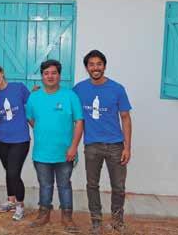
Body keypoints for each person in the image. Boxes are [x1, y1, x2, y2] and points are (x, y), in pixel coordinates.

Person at [73, 50, 132, 235]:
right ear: (86, 67)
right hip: (92, 145)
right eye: (91, 64)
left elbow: (126, 118)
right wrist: (38, 90)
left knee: (118, 187)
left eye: (99, 64)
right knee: (92, 185)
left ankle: (117, 220)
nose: (95, 67)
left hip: (116, 145)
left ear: (104, 66)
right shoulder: (79, 89)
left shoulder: (117, 88)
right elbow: (63, 98)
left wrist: (127, 147)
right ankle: (96, 221)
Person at [26, 60, 83, 231]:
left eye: (54, 73)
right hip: (42, 153)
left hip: (65, 152)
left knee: (64, 185)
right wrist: (44, 131)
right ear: (42, 76)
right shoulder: (34, 96)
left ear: (59, 75)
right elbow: (30, 118)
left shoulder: (70, 96)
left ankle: (67, 217)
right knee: (45, 185)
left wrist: (73, 147)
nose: (50, 76)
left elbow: (79, 122)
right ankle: (44, 214)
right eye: (46, 73)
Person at [0, 62, 30, 221]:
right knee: (10, 172)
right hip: (1, 139)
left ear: (2, 72)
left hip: (21, 139)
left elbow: (32, 106)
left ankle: (20, 206)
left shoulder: (19, 87)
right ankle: (11, 201)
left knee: (13, 172)